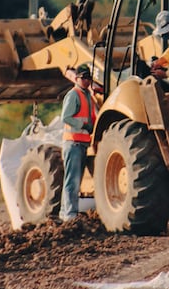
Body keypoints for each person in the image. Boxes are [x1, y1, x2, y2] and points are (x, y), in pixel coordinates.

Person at [59, 63, 97, 221]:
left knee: (75, 180)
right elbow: (65, 117)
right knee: (72, 181)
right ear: (76, 78)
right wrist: (83, 125)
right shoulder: (74, 94)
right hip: (73, 144)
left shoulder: (87, 95)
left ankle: (66, 213)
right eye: (84, 78)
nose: (87, 81)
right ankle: (69, 215)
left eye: (89, 78)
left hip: (82, 144)